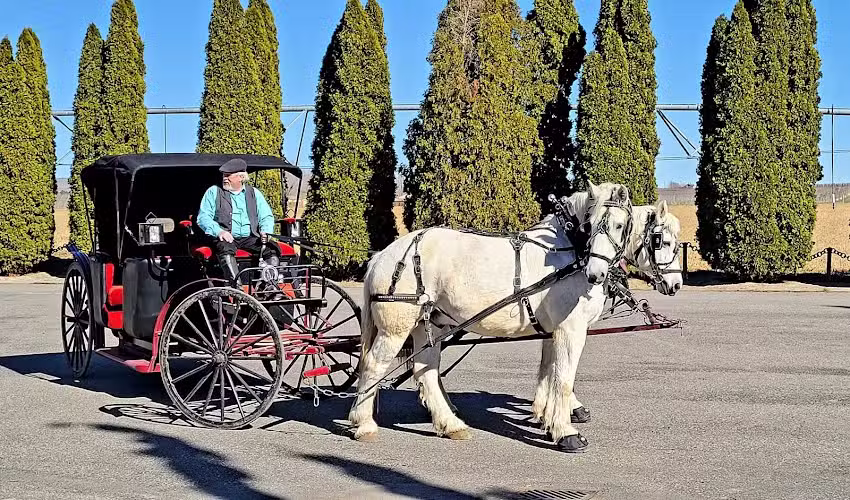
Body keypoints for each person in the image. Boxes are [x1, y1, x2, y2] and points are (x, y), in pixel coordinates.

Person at [196, 158, 279, 284]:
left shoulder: (254, 193)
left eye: (228, 176)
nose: (225, 178)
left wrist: (265, 232)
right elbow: (203, 218)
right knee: (225, 248)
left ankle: (271, 286)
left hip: (250, 237)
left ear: (241, 177)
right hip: (226, 237)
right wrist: (219, 232)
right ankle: (236, 289)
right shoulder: (213, 191)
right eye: (224, 175)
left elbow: (266, 216)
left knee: (271, 249)